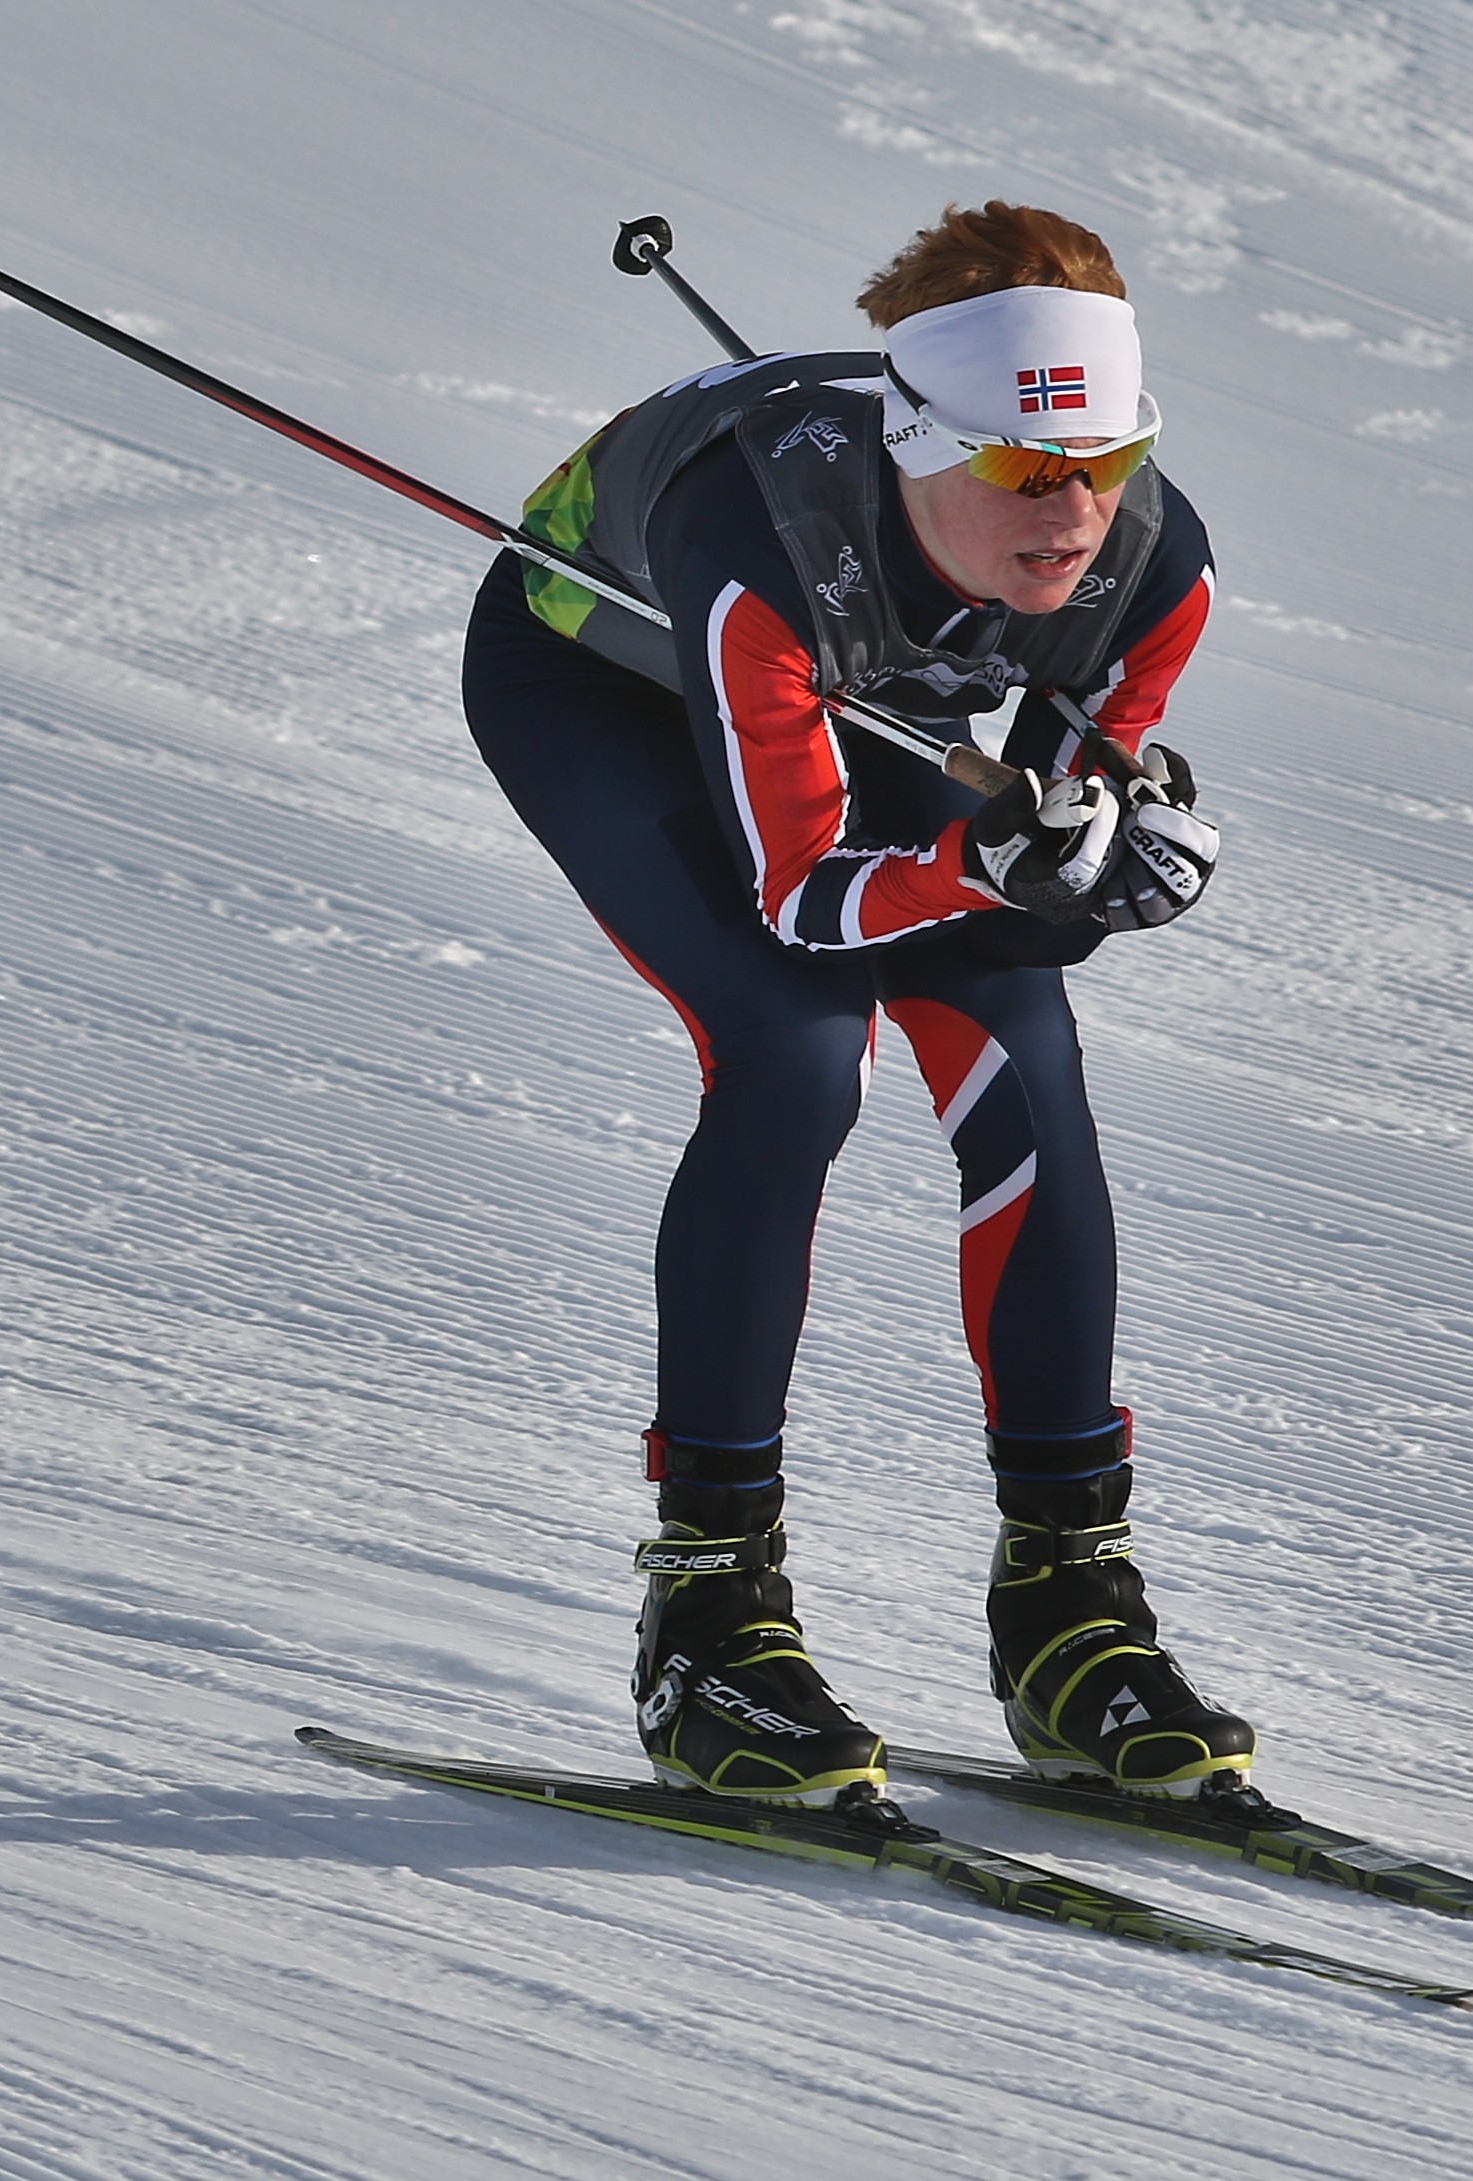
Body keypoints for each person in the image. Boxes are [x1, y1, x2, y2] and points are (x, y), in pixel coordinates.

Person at [460, 203, 1253, 1814]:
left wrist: (1106, 858)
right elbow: (807, 896)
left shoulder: (1158, 564)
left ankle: (1069, 1606)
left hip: (876, 696)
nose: (1081, 508)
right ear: (923, 447)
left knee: (1028, 1068)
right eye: (1036, 474)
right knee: (795, 1049)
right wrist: (995, 858)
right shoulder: (759, 545)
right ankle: (709, 1616)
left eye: (1111, 456)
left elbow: (1064, 830)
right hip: (605, 681)